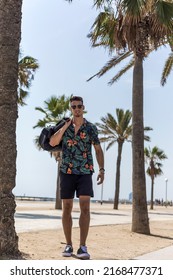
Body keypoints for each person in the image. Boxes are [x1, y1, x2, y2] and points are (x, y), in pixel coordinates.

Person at [49, 96, 104, 260]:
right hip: (66, 171)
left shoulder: (91, 128)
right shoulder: (65, 127)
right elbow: (52, 143)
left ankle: (82, 246)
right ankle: (68, 244)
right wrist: (65, 126)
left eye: (79, 106)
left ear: (83, 107)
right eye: (74, 107)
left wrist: (102, 169)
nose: (77, 109)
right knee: (66, 207)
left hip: (85, 171)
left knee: (85, 208)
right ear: (71, 108)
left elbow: (98, 150)